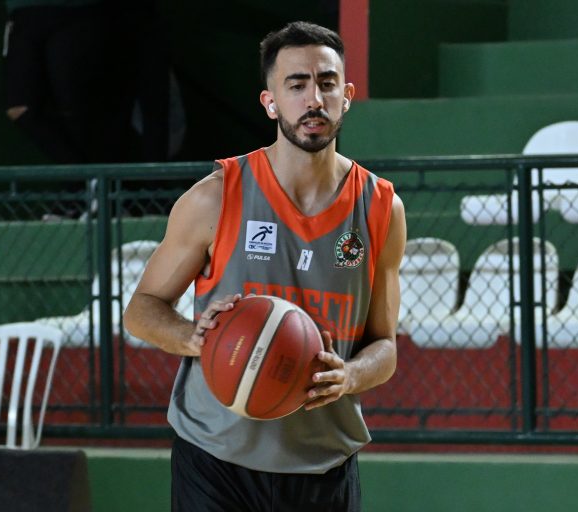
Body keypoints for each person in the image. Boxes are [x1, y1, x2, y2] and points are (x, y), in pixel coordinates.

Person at [124, 21, 407, 511]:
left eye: (327, 83)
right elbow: (141, 309)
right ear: (270, 102)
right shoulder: (217, 196)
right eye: (296, 85)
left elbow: (384, 346)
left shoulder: (381, 207)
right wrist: (193, 337)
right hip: (215, 458)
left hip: (323, 462)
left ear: (347, 96)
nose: (313, 99)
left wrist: (349, 375)